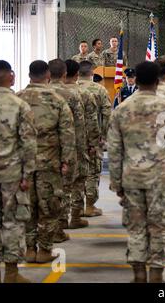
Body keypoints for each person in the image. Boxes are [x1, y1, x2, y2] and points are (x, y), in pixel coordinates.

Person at [107, 61, 165, 283]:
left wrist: (116, 183)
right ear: (157, 81)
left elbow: (114, 150)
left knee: (135, 228)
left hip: (131, 178)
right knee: (159, 227)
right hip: (159, 179)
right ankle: (156, 276)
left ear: (136, 80)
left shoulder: (122, 109)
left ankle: (138, 275)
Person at [18, 60, 76, 263]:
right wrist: (67, 161)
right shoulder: (57, 100)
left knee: (26, 206)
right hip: (49, 164)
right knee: (49, 207)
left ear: (28, 75)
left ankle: (29, 249)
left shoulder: (18, 98)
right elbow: (67, 134)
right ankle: (44, 250)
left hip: (22, 165)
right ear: (48, 75)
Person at [0, 60, 37, 283]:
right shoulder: (19, 105)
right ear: (11, 77)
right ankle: (13, 273)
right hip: (13, 175)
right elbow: (28, 143)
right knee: (13, 222)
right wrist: (27, 175)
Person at [49, 58, 88, 238]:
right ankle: (65, 220)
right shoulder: (72, 94)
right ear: (64, 74)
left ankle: (49, 228)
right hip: (67, 146)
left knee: (45, 189)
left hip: (41, 150)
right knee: (67, 184)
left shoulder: (25, 94)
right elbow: (79, 126)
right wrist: (81, 150)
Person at [64, 59, 100, 228]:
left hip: (51, 148)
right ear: (76, 75)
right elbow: (93, 121)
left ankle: (60, 221)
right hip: (80, 144)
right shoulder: (85, 94)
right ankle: (75, 218)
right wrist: (94, 143)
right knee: (79, 180)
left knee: (58, 184)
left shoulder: (50, 93)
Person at [78, 61, 112, 217]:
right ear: (92, 72)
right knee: (92, 171)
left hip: (72, 138)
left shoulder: (70, 88)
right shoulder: (99, 89)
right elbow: (107, 114)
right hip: (93, 136)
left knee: (75, 173)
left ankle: (74, 208)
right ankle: (89, 206)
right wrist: (103, 136)